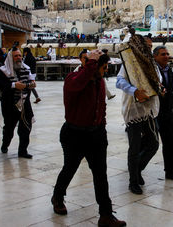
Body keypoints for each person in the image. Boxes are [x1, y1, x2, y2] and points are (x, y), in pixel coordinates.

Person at [51, 50, 126, 227]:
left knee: (101, 174)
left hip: (96, 134)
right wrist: (91, 64)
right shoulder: (72, 79)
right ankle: (57, 196)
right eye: (104, 67)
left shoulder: (99, 82)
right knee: (70, 168)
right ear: (94, 67)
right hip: (74, 134)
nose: (105, 71)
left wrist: (102, 125)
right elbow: (77, 85)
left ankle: (106, 215)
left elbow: (101, 106)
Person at [116, 33, 160, 195]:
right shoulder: (130, 63)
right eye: (146, 46)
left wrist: (159, 87)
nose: (149, 49)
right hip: (134, 110)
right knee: (134, 147)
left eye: (150, 46)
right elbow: (119, 81)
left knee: (153, 144)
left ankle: (136, 170)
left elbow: (156, 80)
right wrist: (134, 91)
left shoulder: (151, 64)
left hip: (148, 110)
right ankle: (133, 181)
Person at [0, 48, 36, 159]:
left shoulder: (26, 69)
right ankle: (5, 144)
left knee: (26, 127)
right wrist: (14, 85)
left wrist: (31, 84)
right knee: (9, 128)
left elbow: (29, 81)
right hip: (10, 104)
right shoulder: (2, 71)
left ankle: (23, 150)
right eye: (15, 56)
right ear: (10, 58)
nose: (18, 58)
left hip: (24, 103)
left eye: (19, 55)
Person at [153, 45, 173, 181]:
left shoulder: (168, 70)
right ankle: (136, 171)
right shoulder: (151, 71)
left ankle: (170, 171)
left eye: (167, 54)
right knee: (150, 143)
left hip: (167, 111)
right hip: (154, 110)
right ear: (155, 57)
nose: (166, 56)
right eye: (162, 54)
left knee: (169, 142)